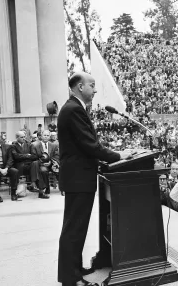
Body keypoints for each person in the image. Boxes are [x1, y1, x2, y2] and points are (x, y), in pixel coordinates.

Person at [57, 72, 133, 286]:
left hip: (79, 176)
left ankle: (73, 269)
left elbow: (81, 147)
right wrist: (119, 156)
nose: (96, 89)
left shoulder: (73, 107)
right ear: (80, 86)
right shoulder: (73, 109)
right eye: (92, 85)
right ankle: (71, 279)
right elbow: (89, 145)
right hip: (78, 178)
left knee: (76, 228)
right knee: (74, 228)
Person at [31, 130, 59, 198]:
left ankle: (63, 188)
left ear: (49, 137)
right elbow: (34, 157)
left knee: (59, 169)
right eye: (44, 135)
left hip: (51, 163)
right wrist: (42, 162)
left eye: (47, 135)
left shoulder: (54, 145)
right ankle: (47, 187)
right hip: (42, 164)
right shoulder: (35, 145)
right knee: (43, 171)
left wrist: (50, 162)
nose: (46, 137)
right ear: (41, 136)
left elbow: (56, 156)